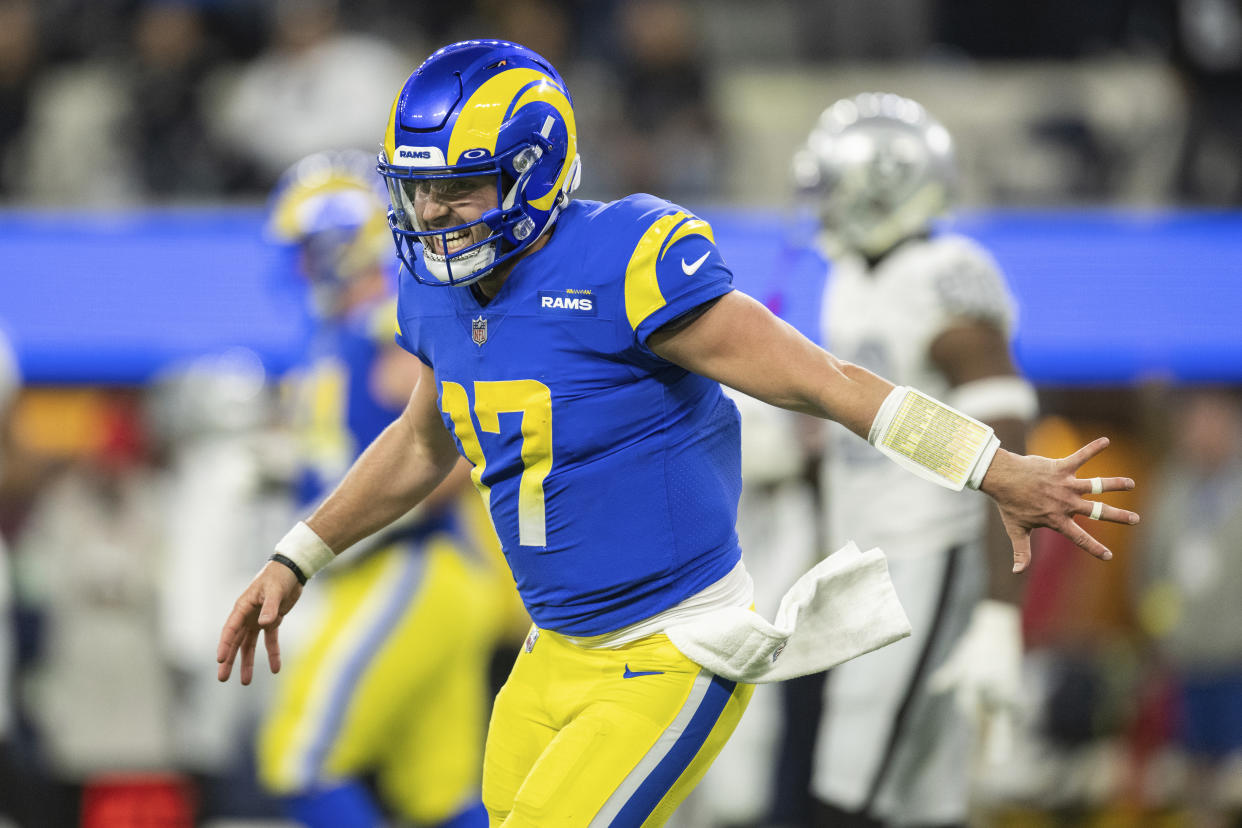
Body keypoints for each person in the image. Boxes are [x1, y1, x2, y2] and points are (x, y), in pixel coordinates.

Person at [217, 40, 1139, 828]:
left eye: (459, 189)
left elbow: (826, 383)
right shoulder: (432, 292)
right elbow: (427, 439)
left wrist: (989, 465)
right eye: (418, 193)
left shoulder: (628, 259)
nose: (430, 218)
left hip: (670, 648)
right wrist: (296, 555)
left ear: (533, 173)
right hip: (550, 652)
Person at [791, 92, 1037, 827]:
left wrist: (1002, 611)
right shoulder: (850, 279)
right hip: (869, 555)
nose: (823, 204)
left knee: (850, 790)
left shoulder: (942, 270)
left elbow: (1009, 434)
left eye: (835, 185)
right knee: (920, 800)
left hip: (930, 553)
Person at [252, 149, 500, 828]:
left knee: (297, 756)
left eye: (309, 248)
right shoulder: (348, 331)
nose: (302, 266)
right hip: (428, 577)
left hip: (406, 568)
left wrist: (364, 524)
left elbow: (459, 441)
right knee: (441, 797)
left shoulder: (389, 318)